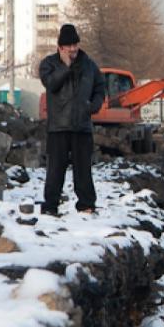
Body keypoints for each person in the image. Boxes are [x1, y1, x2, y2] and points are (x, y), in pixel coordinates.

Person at [38, 23, 105, 215]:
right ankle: (50, 206)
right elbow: (51, 84)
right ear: (60, 47)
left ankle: (86, 205)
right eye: (69, 46)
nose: (73, 49)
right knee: (55, 170)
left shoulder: (89, 65)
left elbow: (100, 88)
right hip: (58, 127)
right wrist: (65, 67)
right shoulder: (49, 64)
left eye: (75, 44)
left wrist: (94, 105)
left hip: (82, 126)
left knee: (83, 170)